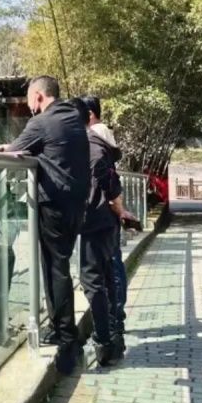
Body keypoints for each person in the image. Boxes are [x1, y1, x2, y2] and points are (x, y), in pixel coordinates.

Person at [0, 77, 90, 375]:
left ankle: (67, 340)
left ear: (38, 96)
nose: (28, 106)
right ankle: (58, 328)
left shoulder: (41, 122)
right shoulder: (73, 118)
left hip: (54, 205)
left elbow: (12, 150)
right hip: (76, 203)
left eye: (28, 99)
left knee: (55, 268)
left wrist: (9, 148)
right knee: (58, 266)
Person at [74, 97, 126, 367]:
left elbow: (104, 182)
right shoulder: (99, 143)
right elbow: (113, 185)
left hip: (95, 221)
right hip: (107, 220)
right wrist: (120, 210)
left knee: (93, 280)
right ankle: (114, 338)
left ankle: (104, 340)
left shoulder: (88, 146)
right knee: (107, 277)